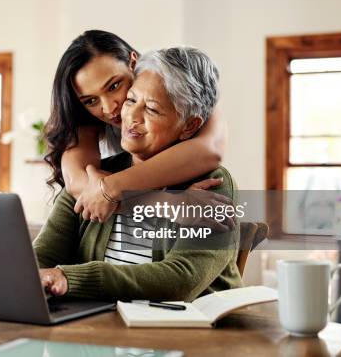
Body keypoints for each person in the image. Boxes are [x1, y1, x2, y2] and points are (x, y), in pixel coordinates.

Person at [34, 47, 242, 301]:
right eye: (131, 100)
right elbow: (41, 257)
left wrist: (71, 278)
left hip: (187, 331)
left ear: (189, 126)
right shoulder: (95, 178)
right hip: (102, 328)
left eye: (152, 110)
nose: (130, 116)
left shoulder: (215, 184)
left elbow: (180, 280)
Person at [44, 30, 227, 223]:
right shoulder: (87, 122)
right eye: (90, 100)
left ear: (133, 63)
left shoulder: (185, 90)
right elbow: (79, 184)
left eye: (114, 86)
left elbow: (210, 150)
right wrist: (165, 205)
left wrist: (111, 188)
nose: (109, 108)